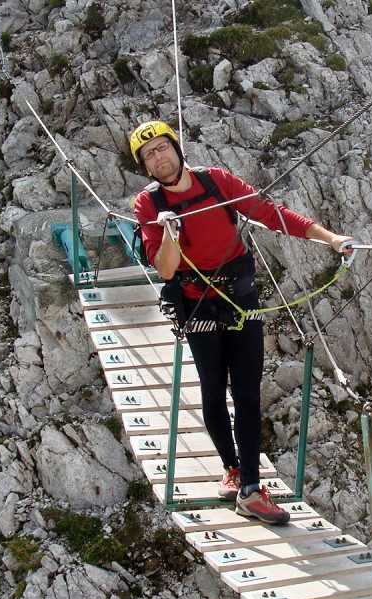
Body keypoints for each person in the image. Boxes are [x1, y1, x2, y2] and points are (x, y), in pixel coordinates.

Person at [130, 120, 353, 525]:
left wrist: (332, 238)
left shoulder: (216, 182)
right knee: (213, 391)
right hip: (196, 305)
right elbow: (164, 270)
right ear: (145, 167)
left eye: (163, 147)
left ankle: (251, 488)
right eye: (149, 155)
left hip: (239, 299)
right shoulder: (148, 205)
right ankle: (231, 468)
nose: (159, 157)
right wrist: (170, 233)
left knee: (247, 392)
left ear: (177, 149)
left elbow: (272, 215)